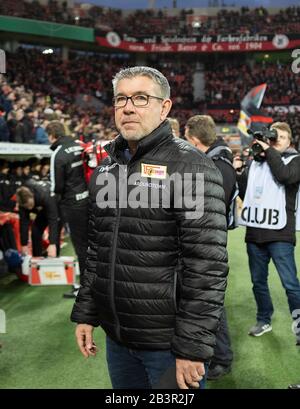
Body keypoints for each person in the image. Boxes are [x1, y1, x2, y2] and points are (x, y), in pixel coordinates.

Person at [71, 66, 228, 389]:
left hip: (168, 346)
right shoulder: (107, 168)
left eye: (141, 98)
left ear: (164, 108)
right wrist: (86, 312)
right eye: (121, 99)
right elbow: (97, 250)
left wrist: (191, 347)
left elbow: (206, 266)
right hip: (118, 340)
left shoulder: (192, 167)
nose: (128, 107)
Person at [235, 122, 300, 345]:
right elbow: (247, 192)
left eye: (279, 137)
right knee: (258, 282)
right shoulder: (258, 162)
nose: (274, 141)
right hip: (255, 233)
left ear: (289, 141)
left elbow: (285, 177)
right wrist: (239, 171)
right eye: (272, 138)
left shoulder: (295, 160)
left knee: (290, 284)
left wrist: (268, 150)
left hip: (280, 234)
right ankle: (264, 319)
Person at [185, 114, 236, 380]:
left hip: (208, 242)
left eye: (186, 139)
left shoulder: (215, 165)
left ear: (194, 139)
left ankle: (222, 357)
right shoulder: (221, 160)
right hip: (208, 240)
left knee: (210, 301)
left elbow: (207, 210)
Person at [46, 120, 88, 298]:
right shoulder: (77, 145)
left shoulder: (59, 153)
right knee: (90, 244)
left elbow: (56, 187)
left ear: (51, 135)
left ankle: (87, 289)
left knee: (80, 247)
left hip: (72, 204)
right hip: (87, 199)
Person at [16, 180, 59, 258]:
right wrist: (24, 244)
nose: (29, 208)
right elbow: (24, 223)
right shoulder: (22, 202)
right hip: (42, 208)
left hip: (57, 205)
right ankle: (37, 259)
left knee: (56, 233)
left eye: (30, 204)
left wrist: (52, 243)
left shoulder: (44, 195)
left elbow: (53, 220)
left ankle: (55, 257)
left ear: (32, 195)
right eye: (26, 207)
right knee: (35, 231)